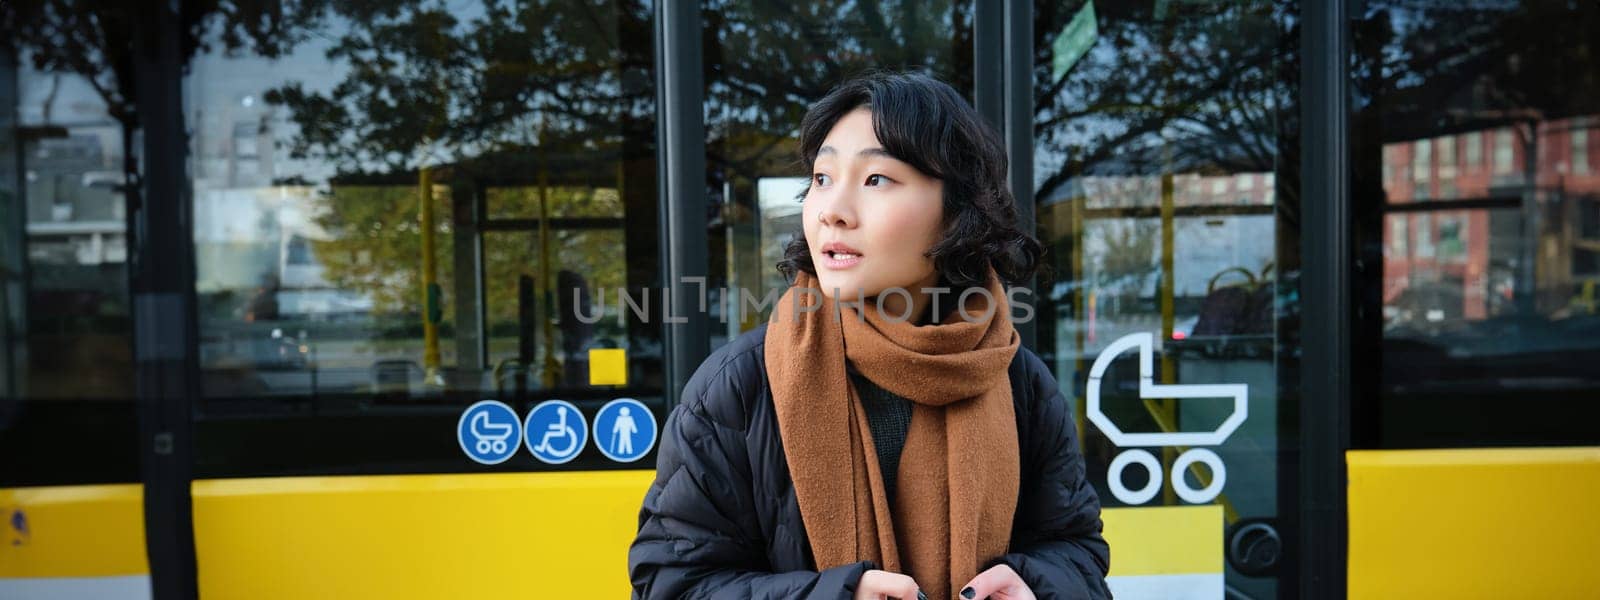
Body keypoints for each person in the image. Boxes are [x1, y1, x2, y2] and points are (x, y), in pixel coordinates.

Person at [630, 72, 1110, 600]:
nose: (832, 208)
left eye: (876, 178)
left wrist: (1036, 585)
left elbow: (1077, 549)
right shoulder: (739, 386)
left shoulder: (1017, 379)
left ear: (957, 211)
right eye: (821, 178)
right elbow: (670, 584)